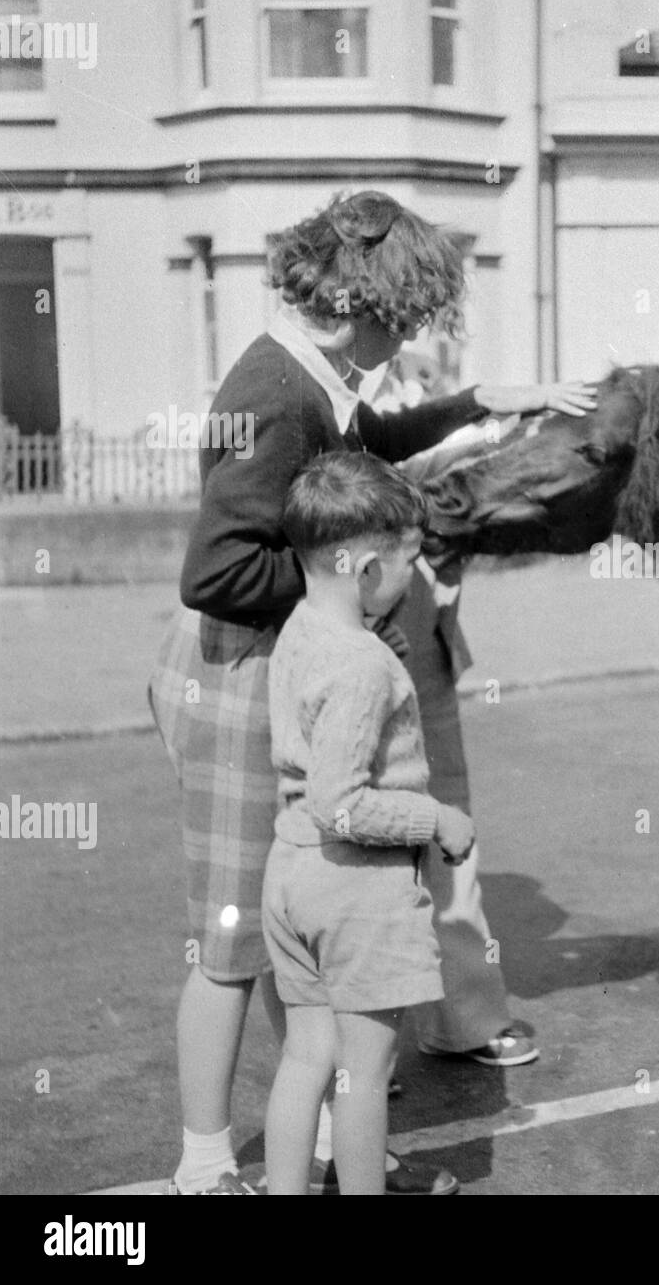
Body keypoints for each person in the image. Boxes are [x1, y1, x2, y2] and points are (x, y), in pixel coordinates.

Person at [148, 189, 595, 1194]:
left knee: (297, 915)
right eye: (404, 321)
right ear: (359, 307)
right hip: (235, 670)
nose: (408, 341)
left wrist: (481, 402)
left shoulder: (315, 371)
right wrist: (336, 584)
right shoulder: (278, 396)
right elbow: (215, 571)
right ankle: (203, 1163)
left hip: (279, 655)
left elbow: (370, 436)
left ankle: (325, 1143)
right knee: (232, 934)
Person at [262, 451, 474, 1196]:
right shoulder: (364, 664)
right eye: (407, 561)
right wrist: (435, 817)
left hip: (291, 873)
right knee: (363, 1073)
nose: (413, 577)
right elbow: (342, 802)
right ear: (363, 567)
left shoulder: (300, 629)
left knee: (307, 1057)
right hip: (355, 888)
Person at [359, 354, 537, 1068]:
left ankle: (464, 1017)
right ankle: (360, 1052)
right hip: (362, 634)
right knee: (360, 832)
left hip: (424, 639)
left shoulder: (414, 380)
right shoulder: (329, 392)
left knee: (447, 825)